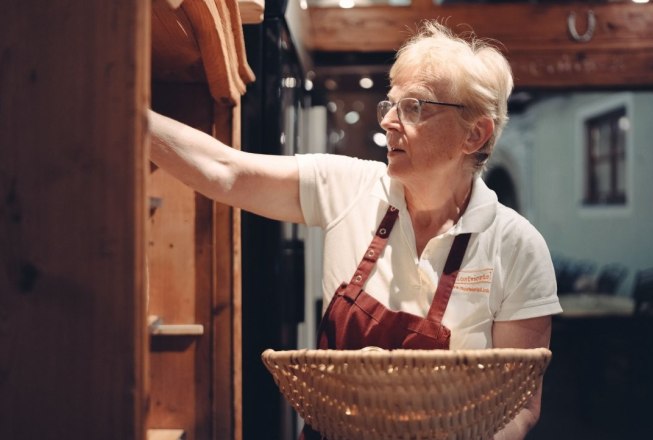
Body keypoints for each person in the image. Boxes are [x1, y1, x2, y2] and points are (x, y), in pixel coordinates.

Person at [149, 20, 561, 440]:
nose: (388, 123)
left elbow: (519, 406)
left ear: (474, 134)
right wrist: (128, 109)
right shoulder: (350, 188)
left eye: (414, 107)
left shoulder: (517, 246)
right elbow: (226, 172)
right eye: (390, 105)